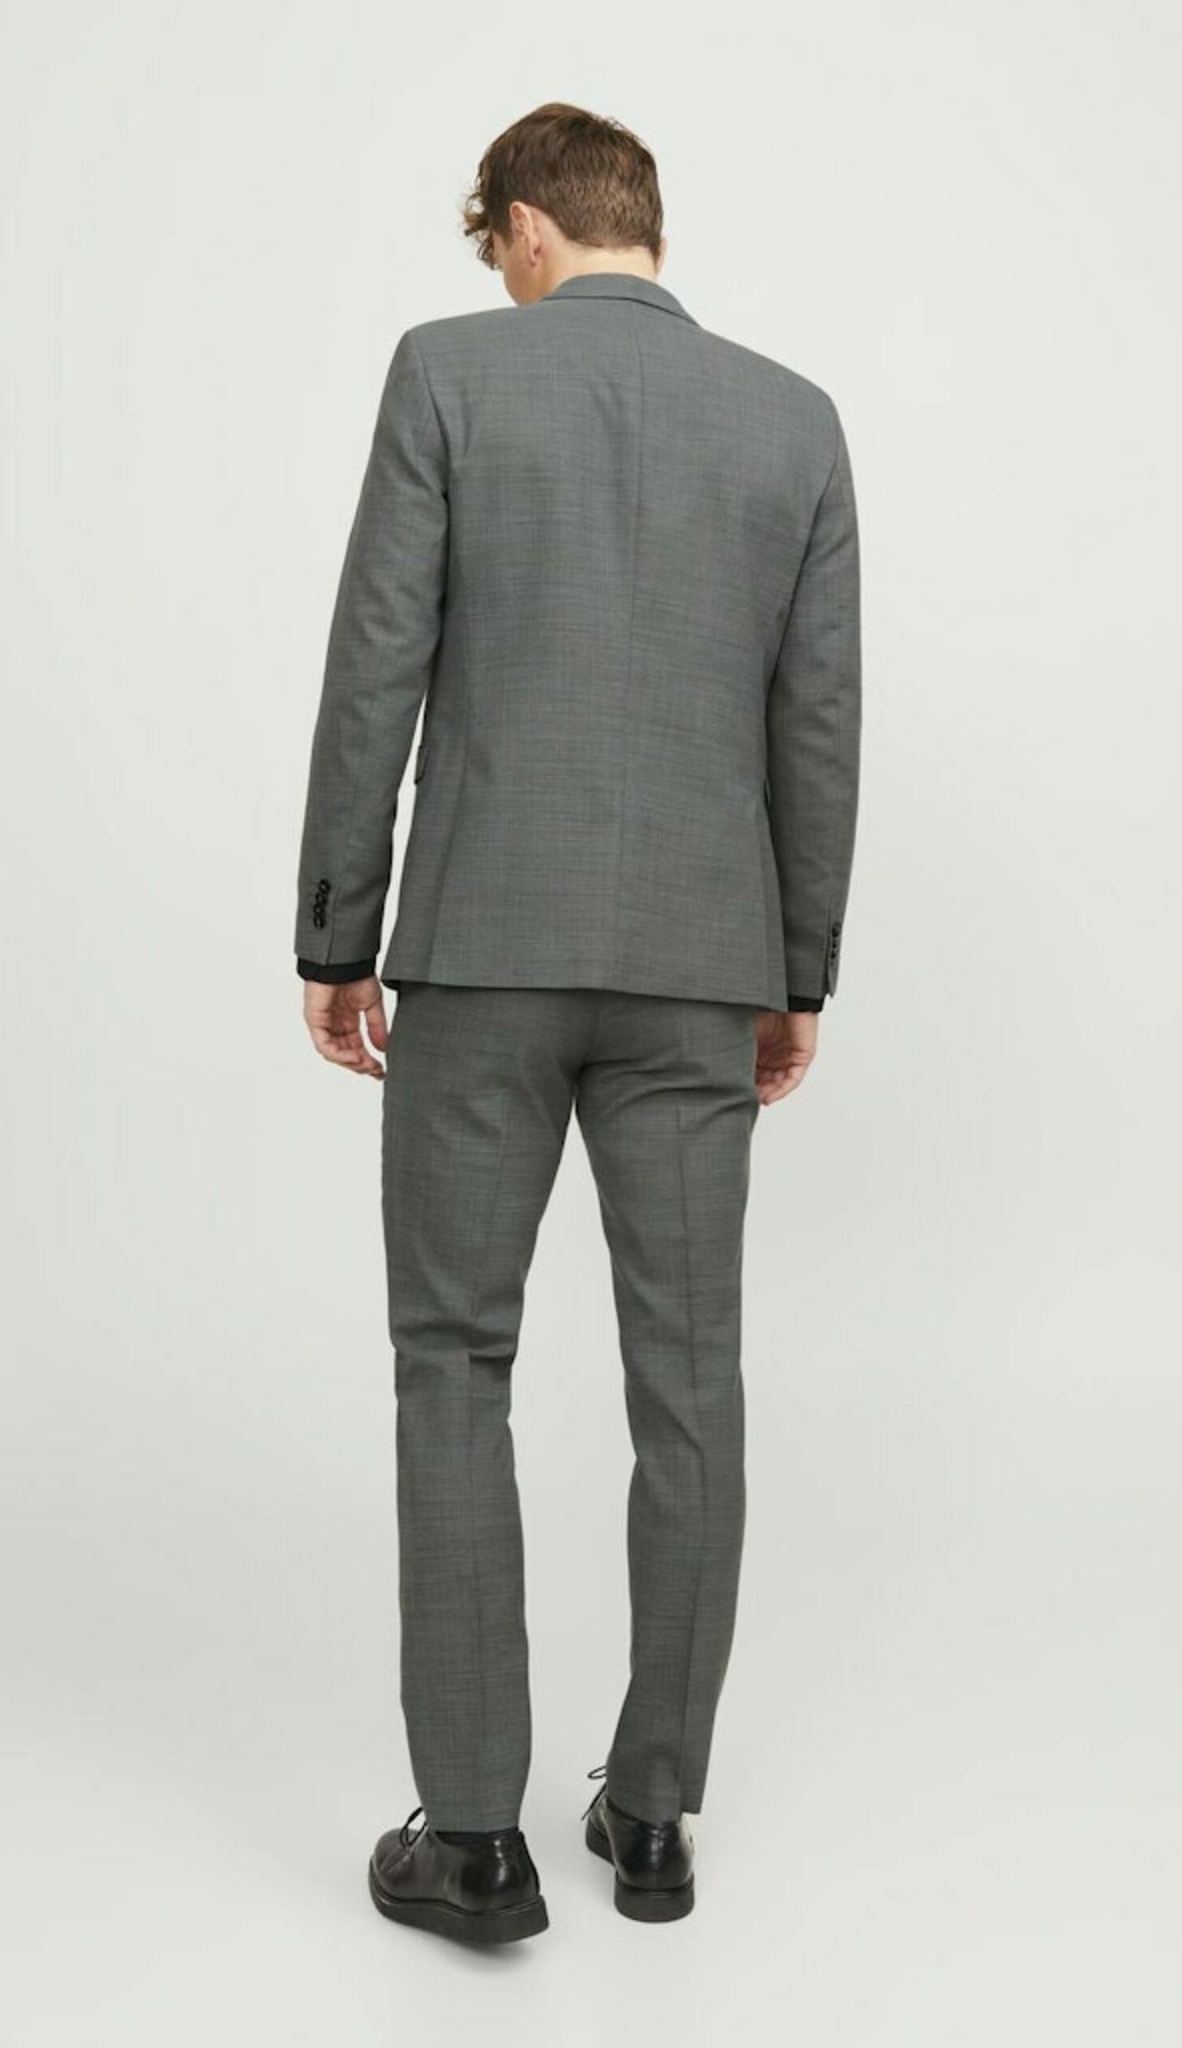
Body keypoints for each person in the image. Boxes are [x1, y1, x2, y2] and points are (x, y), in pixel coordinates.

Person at [293, 101, 861, 1943]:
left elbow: (376, 662)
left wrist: (339, 930)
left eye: (498, 252)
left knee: (454, 1361)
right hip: (701, 969)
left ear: (528, 225)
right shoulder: (794, 422)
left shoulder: (450, 376)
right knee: (690, 1383)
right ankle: (656, 1810)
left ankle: (472, 1839)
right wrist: (797, 970)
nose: (501, 280)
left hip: (480, 956)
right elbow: (817, 722)